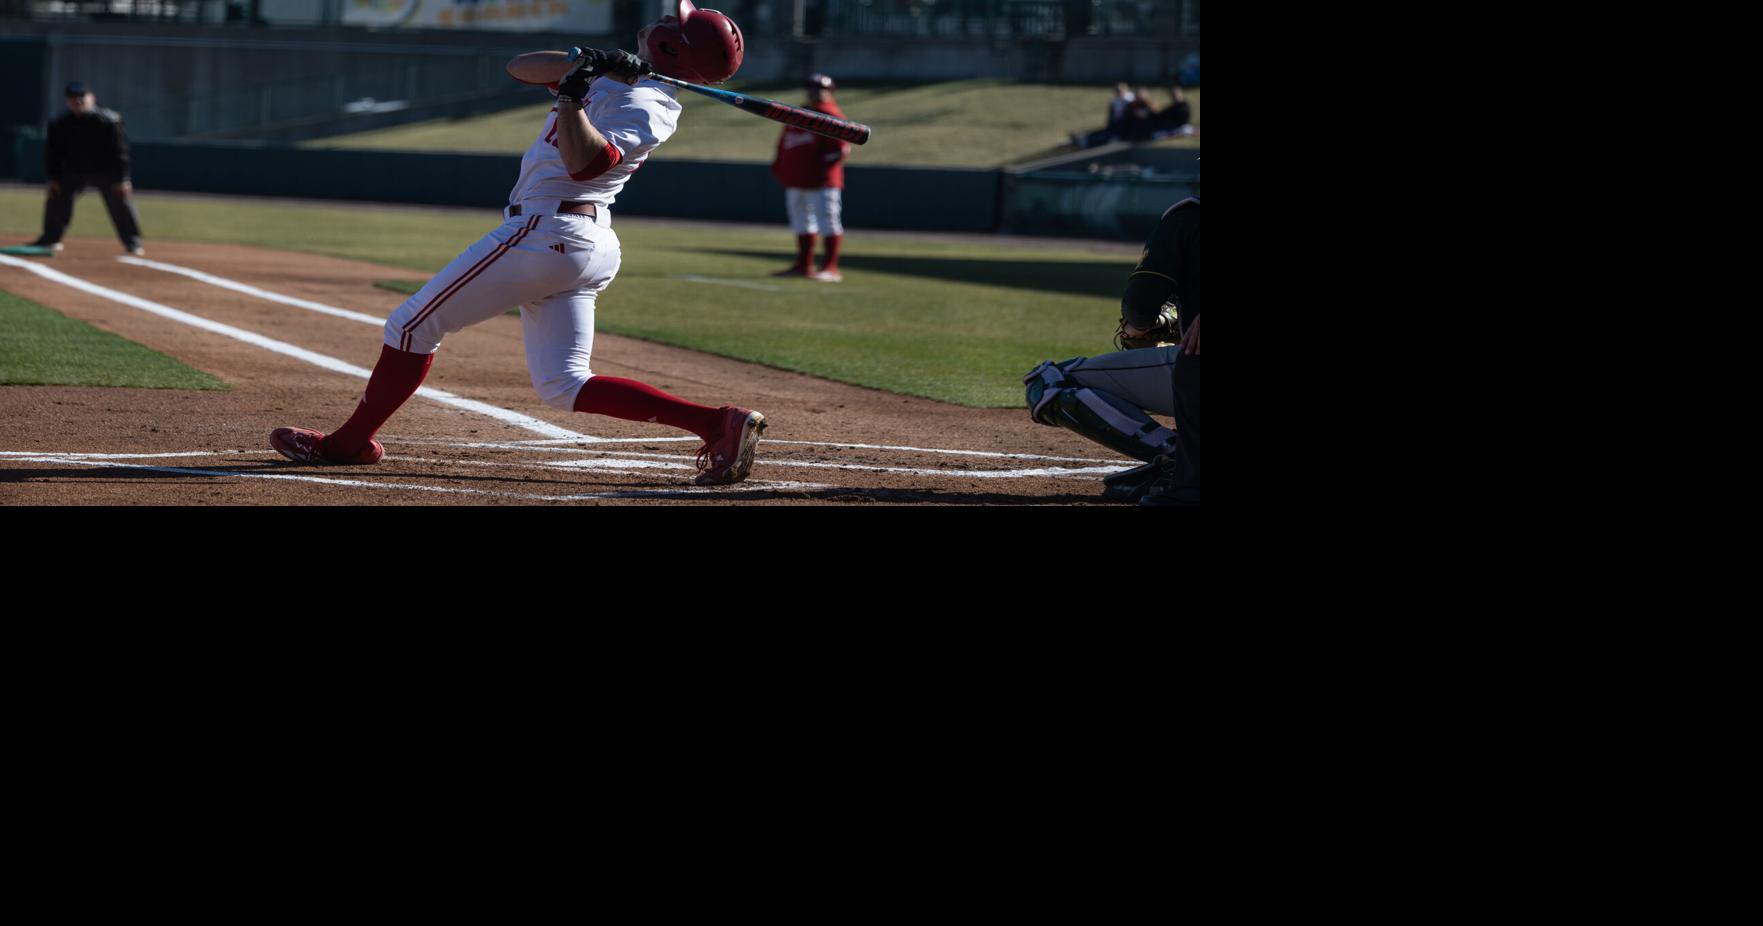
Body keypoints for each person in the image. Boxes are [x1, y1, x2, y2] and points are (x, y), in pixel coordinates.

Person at [268, 1, 768, 487]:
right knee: (563, 385)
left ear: (673, 48)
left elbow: (586, 164)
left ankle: (347, 443)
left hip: (549, 232)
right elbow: (519, 67)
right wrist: (586, 62)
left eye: (671, 24)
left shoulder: (649, 103)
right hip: (572, 241)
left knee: (410, 326)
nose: (660, 19)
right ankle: (715, 422)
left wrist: (573, 97)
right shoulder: (622, 82)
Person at [1021, 195, 1200, 506]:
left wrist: (1147, 325)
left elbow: (1140, 307)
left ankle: (1181, 461)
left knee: (1051, 383)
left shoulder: (1188, 218)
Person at [31, 82, 145, 257]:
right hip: (74, 170)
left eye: (81, 97)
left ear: (92, 99)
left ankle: (133, 242)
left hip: (105, 170)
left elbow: (120, 151)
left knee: (120, 201)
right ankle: (50, 239)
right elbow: (53, 153)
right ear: (67, 101)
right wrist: (53, 178)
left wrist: (123, 179)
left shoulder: (109, 121)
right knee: (57, 197)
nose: (78, 101)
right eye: (73, 99)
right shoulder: (60, 123)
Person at [769, 73, 852, 282]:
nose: (815, 92)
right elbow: (785, 144)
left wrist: (818, 169)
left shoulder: (832, 116)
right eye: (812, 88)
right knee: (801, 222)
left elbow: (841, 150)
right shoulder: (798, 115)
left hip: (823, 181)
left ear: (830, 91)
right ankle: (803, 265)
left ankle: (830, 268)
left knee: (828, 222)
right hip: (797, 179)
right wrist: (781, 167)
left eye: (820, 88)